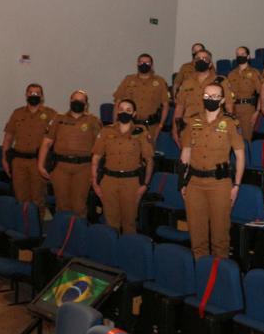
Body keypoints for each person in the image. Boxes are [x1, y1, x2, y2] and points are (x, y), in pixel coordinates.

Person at [179, 82, 246, 259]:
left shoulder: (230, 123)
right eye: (207, 96)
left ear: (222, 100)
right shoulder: (193, 121)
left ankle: (219, 279)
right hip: (194, 184)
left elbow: (240, 156)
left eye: (215, 96)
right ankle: (202, 276)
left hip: (219, 185)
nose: (211, 99)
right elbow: (186, 153)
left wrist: (237, 185)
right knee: (197, 236)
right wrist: (182, 181)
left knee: (220, 237)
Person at [91, 99, 154, 234]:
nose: (124, 112)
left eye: (128, 110)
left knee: (129, 223)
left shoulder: (141, 132)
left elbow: (149, 160)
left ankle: (129, 253)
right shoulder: (106, 131)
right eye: (121, 109)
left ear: (134, 113)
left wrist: (145, 185)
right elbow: (96, 158)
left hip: (131, 182)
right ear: (117, 111)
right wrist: (95, 182)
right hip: (109, 181)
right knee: (110, 223)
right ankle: (112, 253)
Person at [37, 90, 102, 216]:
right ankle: (63, 234)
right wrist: (40, 165)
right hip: (60, 168)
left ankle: (79, 234)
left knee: (79, 205)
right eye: (75, 100)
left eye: (81, 101)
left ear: (86, 104)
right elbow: (46, 143)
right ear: (70, 101)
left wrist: (96, 172)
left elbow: (100, 148)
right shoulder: (58, 119)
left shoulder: (93, 121)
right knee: (62, 205)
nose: (77, 102)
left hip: (83, 168)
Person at [3, 83, 56, 207]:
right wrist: (4, 159)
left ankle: (36, 226)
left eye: (37, 93)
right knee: (21, 199)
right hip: (19, 162)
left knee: (38, 199)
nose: (34, 95)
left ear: (42, 96)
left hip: (38, 162)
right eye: (31, 93)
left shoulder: (51, 114)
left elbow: (55, 139)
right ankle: (23, 225)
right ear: (26, 95)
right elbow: (8, 138)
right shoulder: (17, 113)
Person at [173, 49, 233, 145]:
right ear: (194, 62)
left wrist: (227, 126)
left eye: (205, 59)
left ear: (210, 64)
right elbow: (179, 107)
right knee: (187, 158)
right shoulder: (187, 82)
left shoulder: (220, 81)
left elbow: (228, 105)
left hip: (212, 128)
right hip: (189, 127)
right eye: (198, 58)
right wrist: (175, 129)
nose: (201, 60)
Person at [113, 53, 169, 143]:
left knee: (148, 153)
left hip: (150, 127)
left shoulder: (160, 81)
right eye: (141, 62)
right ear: (137, 64)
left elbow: (165, 105)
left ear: (152, 65)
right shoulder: (128, 80)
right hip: (129, 124)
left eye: (147, 63)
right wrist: (115, 123)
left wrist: (160, 125)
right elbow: (117, 103)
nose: (144, 64)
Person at [227, 46, 262, 141]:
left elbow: (262, 93)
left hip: (248, 110)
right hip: (234, 110)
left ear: (248, 56)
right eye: (238, 55)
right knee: (235, 139)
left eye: (242, 54)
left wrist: (257, 112)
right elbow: (228, 94)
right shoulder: (231, 74)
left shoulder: (254, 73)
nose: (240, 56)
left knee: (247, 138)